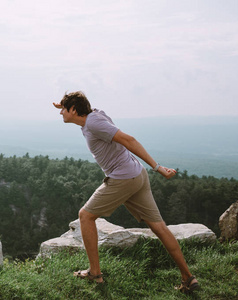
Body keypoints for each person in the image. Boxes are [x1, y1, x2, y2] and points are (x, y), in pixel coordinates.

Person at [53, 91, 199, 294]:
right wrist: (64, 104)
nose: (60, 114)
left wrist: (158, 167)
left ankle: (95, 273)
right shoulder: (93, 116)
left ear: (75, 110)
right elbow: (89, 109)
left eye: (64, 110)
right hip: (136, 174)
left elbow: (129, 140)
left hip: (123, 178)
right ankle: (188, 277)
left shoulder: (94, 123)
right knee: (159, 227)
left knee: (85, 216)